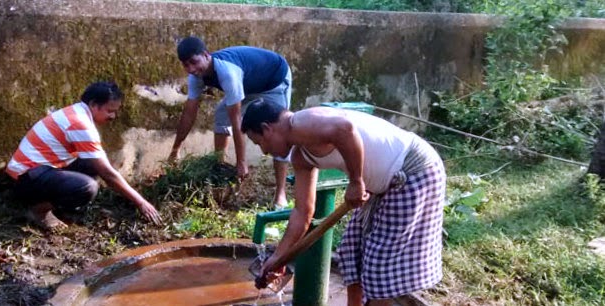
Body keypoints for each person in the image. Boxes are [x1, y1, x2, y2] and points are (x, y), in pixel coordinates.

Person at [241, 101, 445, 306]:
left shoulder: (301, 123)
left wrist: (356, 182)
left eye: (259, 143)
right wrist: (279, 257)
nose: (265, 151)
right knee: (351, 249)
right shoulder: (301, 156)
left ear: (267, 129)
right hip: (382, 186)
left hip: (413, 172)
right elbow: (303, 211)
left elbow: (345, 129)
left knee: (378, 265)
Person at [6, 81, 162, 231]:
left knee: (94, 164)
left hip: (37, 170)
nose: (113, 116)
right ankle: (39, 211)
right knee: (87, 187)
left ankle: (59, 202)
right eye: (110, 110)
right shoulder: (80, 124)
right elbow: (108, 175)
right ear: (94, 104)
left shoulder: (77, 112)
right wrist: (141, 202)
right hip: (25, 179)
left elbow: (103, 167)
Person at [169, 36, 292, 208]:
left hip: (273, 80)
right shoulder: (196, 77)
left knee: (279, 133)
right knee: (221, 114)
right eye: (185, 65)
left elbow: (237, 121)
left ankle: (280, 195)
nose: (191, 69)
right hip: (248, 84)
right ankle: (218, 167)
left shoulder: (227, 72)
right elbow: (189, 113)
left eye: (194, 62)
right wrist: (175, 149)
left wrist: (241, 162)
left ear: (206, 55)